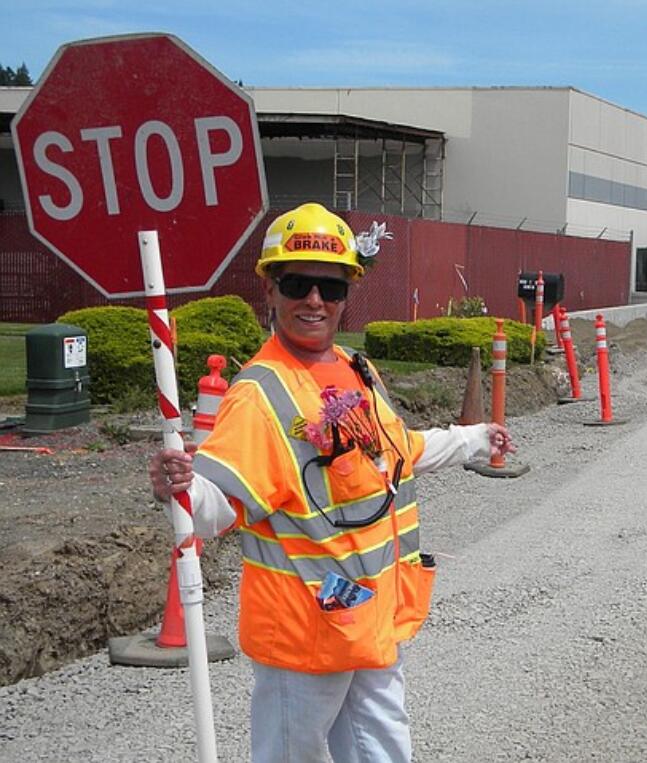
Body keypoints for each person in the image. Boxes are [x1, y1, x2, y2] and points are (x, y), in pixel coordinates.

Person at [149, 202, 514, 762]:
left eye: (330, 287)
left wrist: (472, 440)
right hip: (305, 636)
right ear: (270, 291)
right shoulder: (260, 393)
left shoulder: (353, 369)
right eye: (297, 283)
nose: (314, 300)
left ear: (347, 295)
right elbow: (215, 506)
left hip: (370, 622)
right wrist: (181, 487)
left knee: (384, 751)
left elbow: (396, 454)